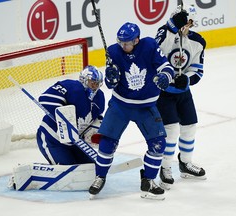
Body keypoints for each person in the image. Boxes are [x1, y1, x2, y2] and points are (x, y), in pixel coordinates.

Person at [88, 22, 174, 200]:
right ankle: (100, 177)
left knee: (158, 144)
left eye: (126, 43)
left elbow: (166, 67)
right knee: (107, 143)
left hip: (146, 106)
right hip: (121, 105)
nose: (123, 46)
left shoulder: (149, 45)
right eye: (120, 42)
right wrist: (111, 78)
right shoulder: (113, 51)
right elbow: (111, 83)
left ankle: (148, 180)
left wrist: (165, 76)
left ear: (136, 40)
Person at [155, 4, 206, 189]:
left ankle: (185, 163)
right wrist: (172, 26)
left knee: (190, 126)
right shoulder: (164, 33)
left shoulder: (198, 41)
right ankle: (165, 167)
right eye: (184, 22)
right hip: (164, 93)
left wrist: (187, 80)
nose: (187, 26)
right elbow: (157, 50)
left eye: (190, 22)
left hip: (183, 93)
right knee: (171, 131)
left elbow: (197, 71)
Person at [36, 65, 105, 165]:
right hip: (53, 139)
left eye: (97, 83)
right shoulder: (70, 86)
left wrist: (97, 135)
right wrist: (64, 118)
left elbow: (96, 119)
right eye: (92, 82)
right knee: (67, 169)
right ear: (83, 80)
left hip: (76, 142)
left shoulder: (100, 97)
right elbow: (45, 98)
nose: (95, 86)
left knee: (93, 167)